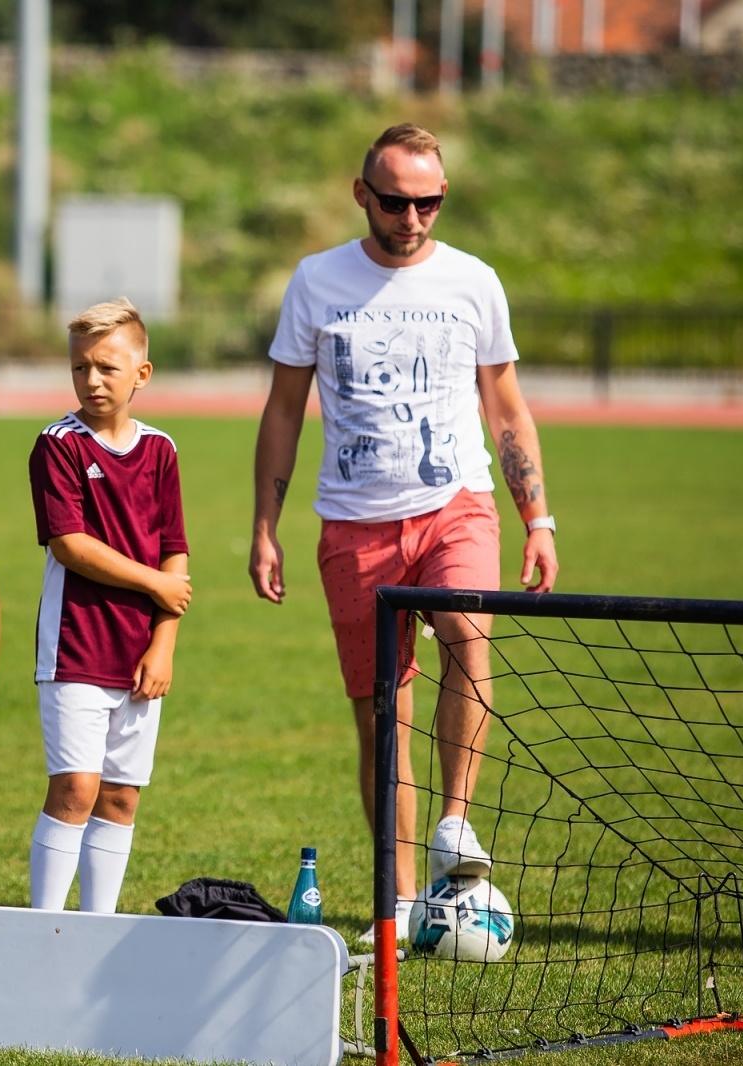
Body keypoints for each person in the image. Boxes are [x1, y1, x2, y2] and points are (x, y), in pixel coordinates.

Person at [248, 123, 558, 934]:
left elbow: (509, 407)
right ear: (362, 195)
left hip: (457, 505)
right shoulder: (317, 281)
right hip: (353, 526)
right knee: (385, 714)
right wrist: (264, 525)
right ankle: (403, 900)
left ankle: (458, 820)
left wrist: (538, 517)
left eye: (428, 203)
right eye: (394, 201)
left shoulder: (473, 282)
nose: (412, 217)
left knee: (467, 632)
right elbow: (284, 410)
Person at [27, 298, 191, 913]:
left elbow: (176, 551)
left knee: (121, 796)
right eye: (79, 368)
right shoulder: (58, 444)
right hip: (76, 646)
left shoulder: (161, 450)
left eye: (106, 368)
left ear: (141, 375)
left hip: (140, 654)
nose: (91, 380)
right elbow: (70, 545)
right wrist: (153, 584)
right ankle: (43, 926)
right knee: (75, 787)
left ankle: (95, 927)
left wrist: (163, 642)